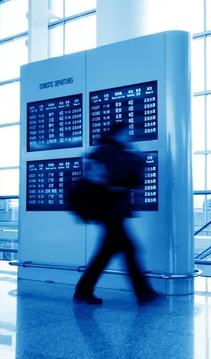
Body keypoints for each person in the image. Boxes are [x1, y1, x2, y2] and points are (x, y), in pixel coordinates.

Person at [73, 122, 158, 305]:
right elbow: (124, 179)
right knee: (128, 250)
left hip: (111, 210)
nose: (130, 137)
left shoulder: (108, 151)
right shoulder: (109, 151)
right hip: (111, 210)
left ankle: (84, 290)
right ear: (118, 133)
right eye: (127, 133)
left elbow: (125, 180)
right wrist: (137, 161)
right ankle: (143, 293)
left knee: (108, 252)